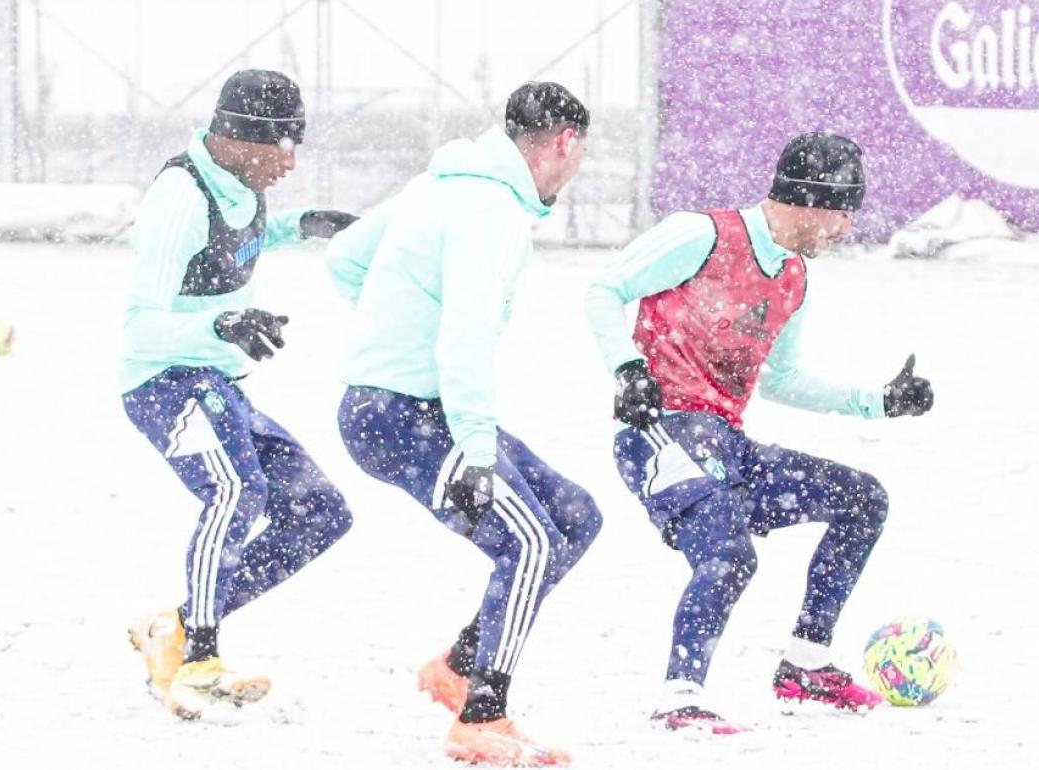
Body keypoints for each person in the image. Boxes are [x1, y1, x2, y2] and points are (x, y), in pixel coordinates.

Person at [585, 133, 935, 734]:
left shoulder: (794, 276)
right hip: (659, 436)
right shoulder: (702, 234)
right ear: (806, 201)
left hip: (725, 443)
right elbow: (602, 290)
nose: (846, 230)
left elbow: (782, 380)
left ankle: (806, 665)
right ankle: (679, 697)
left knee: (863, 498)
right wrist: (627, 370)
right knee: (729, 550)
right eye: (842, 214)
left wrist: (878, 402)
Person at [326, 82, 601, 766]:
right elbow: (465, 338)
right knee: (532, 542)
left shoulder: (441, 183)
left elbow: (345, 258)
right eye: (581, 154)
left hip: (401, 404)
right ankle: (482, 717)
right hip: (405, 413)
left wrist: (392, 328)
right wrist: (475, 445)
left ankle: (458, 665)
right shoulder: (493, 211)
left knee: (574, 517)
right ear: (565, 143)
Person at [121, 69, 358, 720]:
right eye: (282, 146)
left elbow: (242, 238)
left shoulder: (242, 185)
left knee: (319, 515)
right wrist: (220, 323)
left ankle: (171, 628)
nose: (290, 162)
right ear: (240, 136)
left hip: (215, 383)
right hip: (164, 381)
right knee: (235, 493)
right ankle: (197, 660)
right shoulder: (179, 197)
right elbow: (139, 323)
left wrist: (302, 224)